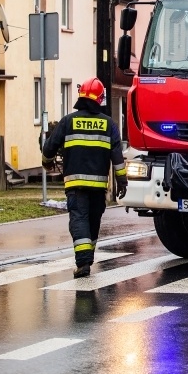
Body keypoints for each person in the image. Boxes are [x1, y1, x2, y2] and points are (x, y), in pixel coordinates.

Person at [42, 77, 127, 278]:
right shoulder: (109, 125)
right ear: (100, 99)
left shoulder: (68, 121)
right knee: (93, 221)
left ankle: (82, 263)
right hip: (98, 187)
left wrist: (47, 163)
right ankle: (87, 258)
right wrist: (122, 181)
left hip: (76, 185)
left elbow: (49, 147)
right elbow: (117, 156)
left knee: (79, 219)